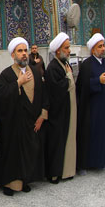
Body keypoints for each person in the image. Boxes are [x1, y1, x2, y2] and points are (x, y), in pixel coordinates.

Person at [0, 37, 47, 196]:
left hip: (32, 122)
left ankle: (25, 180)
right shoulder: (6, 74)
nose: (24, 54)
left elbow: (44, 95)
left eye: (25, 50)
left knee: (29, 152)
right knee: (13, 154)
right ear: (13, 55)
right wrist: (18, 83)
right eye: (20, 51)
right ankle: (10, 184)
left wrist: (42, 116)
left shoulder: (35, 72)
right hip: (13, 124)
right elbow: (1, 96)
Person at [75, 33, 105, 172]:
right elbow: (82, 86)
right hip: (93, 108)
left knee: (104, 134)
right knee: (93, 135)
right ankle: (91, 163)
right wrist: (98, 81)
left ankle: (103, 160)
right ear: (93, 49)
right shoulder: (87, 65)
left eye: (103, 46)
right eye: (100, 46)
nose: (103, 49)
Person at [44, 33, 76, 183]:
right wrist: (68, 77)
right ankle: (54, 173)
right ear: (58, 50)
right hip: (58, 113)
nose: (69, 51)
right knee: (56, 143)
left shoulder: (64, 65)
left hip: (66, 111)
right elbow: (57, 90)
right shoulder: (53, 68)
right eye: (66, 48)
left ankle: (65, 170)